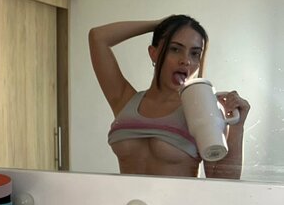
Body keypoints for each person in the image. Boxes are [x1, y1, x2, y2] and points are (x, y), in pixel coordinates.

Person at [88, 15, 249, 178]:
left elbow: (222, 183)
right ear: (154, 53)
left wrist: (237, 126)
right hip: (124, 196)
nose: (185, 60)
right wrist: (159, 24)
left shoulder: (203, 111)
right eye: (175, 49)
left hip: (179, 196)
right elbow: (98, 37)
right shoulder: (125, 100)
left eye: (194, 54)